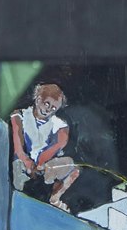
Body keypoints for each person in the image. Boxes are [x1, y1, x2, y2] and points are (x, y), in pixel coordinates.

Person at [9, 79, 79, 207]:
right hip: (23, 163)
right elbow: (18, 147)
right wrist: (28, 163)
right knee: (19, 168)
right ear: (38, 99)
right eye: (47, 104)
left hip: (43, 166)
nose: (48, 110)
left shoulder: (60, 125)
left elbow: (58, 145)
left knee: (73, 169)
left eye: (54, 108)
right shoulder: (19, 115)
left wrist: (40, 163)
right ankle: (20, 188)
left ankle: (54, 199)